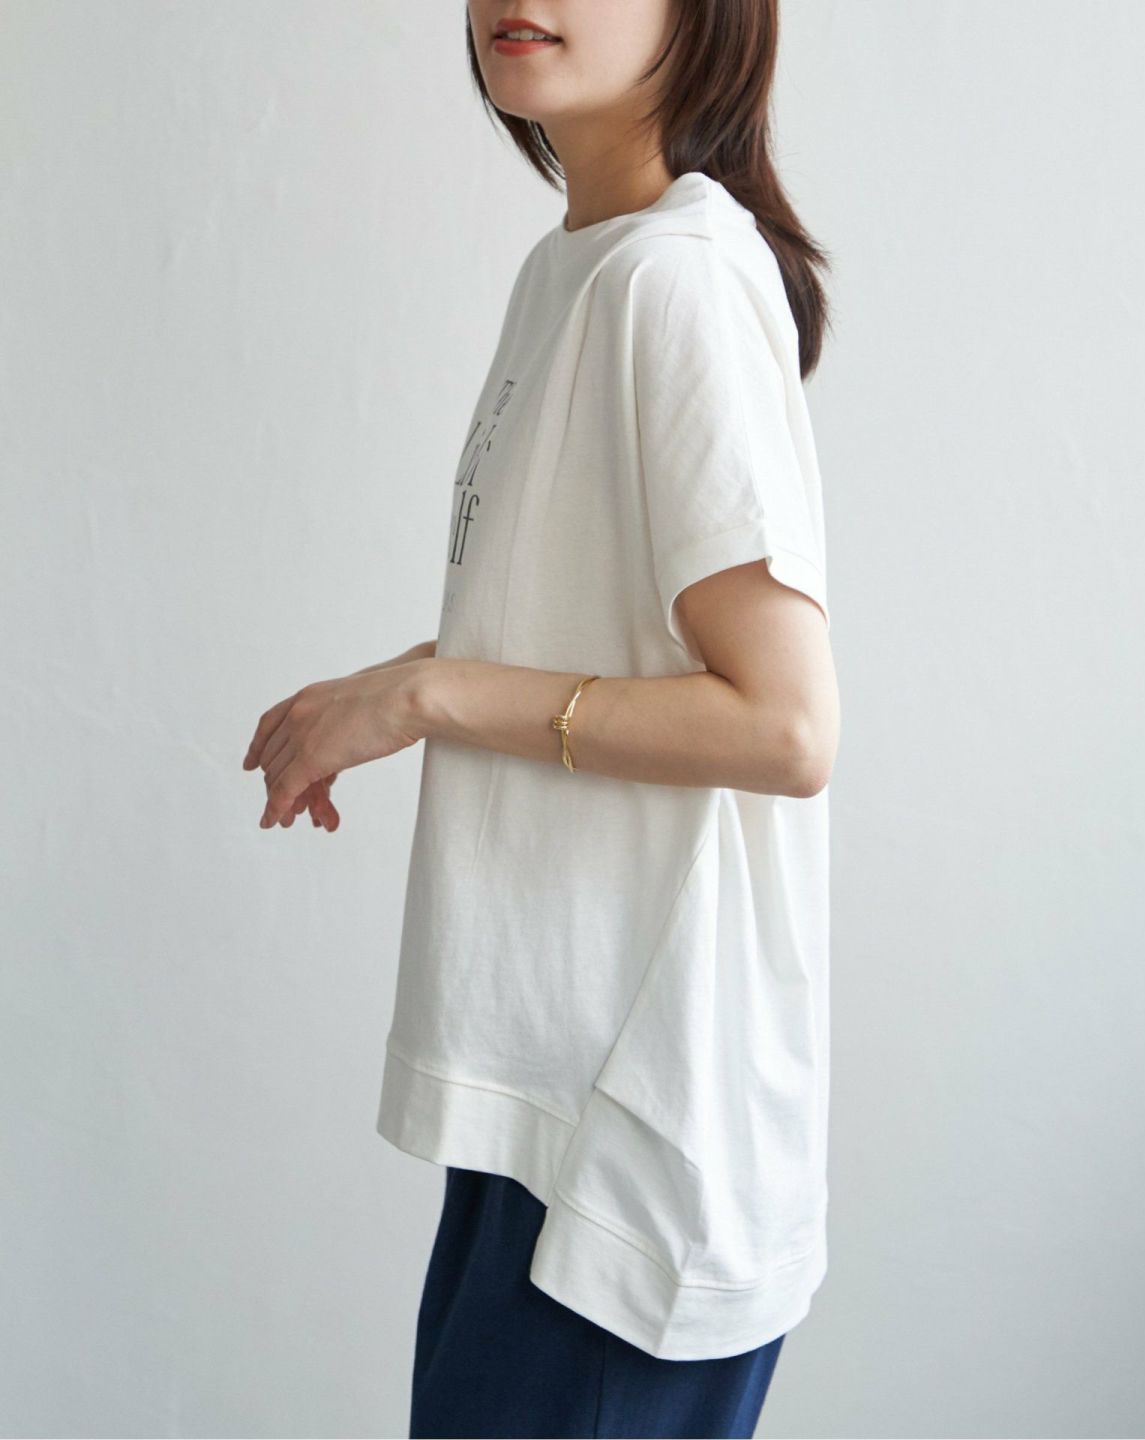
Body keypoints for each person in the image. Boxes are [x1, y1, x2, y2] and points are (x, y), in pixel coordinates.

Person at [242, 1, 840, 1435]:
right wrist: (388, 686)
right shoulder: (576, 268)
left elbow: (785, 728)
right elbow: (587, 628)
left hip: (635, 1142)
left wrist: (427, 692)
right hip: (551, 1100)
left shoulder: (679, 281)